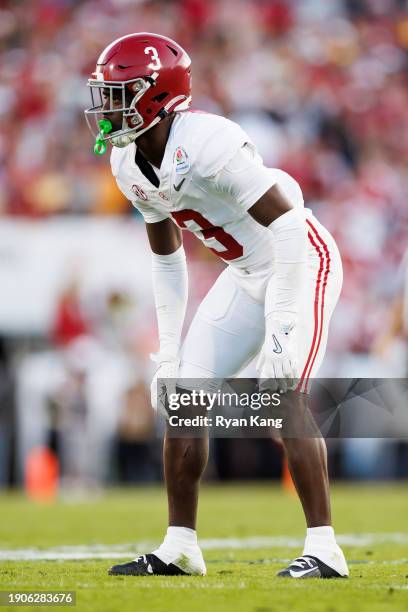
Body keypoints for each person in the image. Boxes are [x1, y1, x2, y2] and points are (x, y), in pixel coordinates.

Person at [85, 32, 348, 579]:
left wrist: (281, 328)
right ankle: (180, 546)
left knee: (281, 396)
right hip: (245, 271)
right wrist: (166, 353)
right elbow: (166, 260)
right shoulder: (127, 163)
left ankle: (325, 550)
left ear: (156, 95)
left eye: (120, 92)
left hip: (300, 259)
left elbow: (290, 228)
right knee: (186, 394)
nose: (107, 106)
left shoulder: (207, 141)